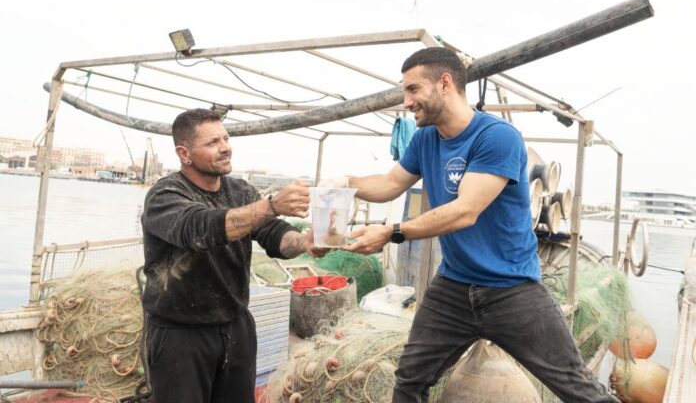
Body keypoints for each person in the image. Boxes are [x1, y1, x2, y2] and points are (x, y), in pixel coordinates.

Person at [335, 47, 619, 402]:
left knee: (577, 387)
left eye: (412, 89)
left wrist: (392, 232)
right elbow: (390, 184)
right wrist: (344, 183)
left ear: (444, 83)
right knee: (409, 380)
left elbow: (465, 211)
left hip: (512, 288)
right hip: (453, 286)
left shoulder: (497, 137)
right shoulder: (425, 138)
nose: (406, 102)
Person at [141, 108, 324, 403]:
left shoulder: (240, 191)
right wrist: (271, 205)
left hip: (236, 326)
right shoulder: (165, 196)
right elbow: (200, 228)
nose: (225, 147)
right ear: (184, 154)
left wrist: (303, 242)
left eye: (225, 138)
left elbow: (274, 234)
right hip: (180, 334)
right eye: (212, 142)